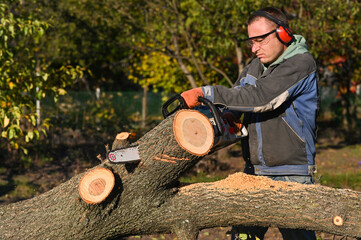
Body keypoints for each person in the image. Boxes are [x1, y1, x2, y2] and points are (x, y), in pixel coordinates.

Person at [180, 6, 319, 240]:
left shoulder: (300, 64)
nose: (255, 49)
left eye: (260, 40)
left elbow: (261, 98)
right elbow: (240, 92)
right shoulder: (256, 65)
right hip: (255, 170)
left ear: (283, 33)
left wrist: (206, 92)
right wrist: (228, 114)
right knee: (242, 235)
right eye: (251, 42)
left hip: (290, 172)